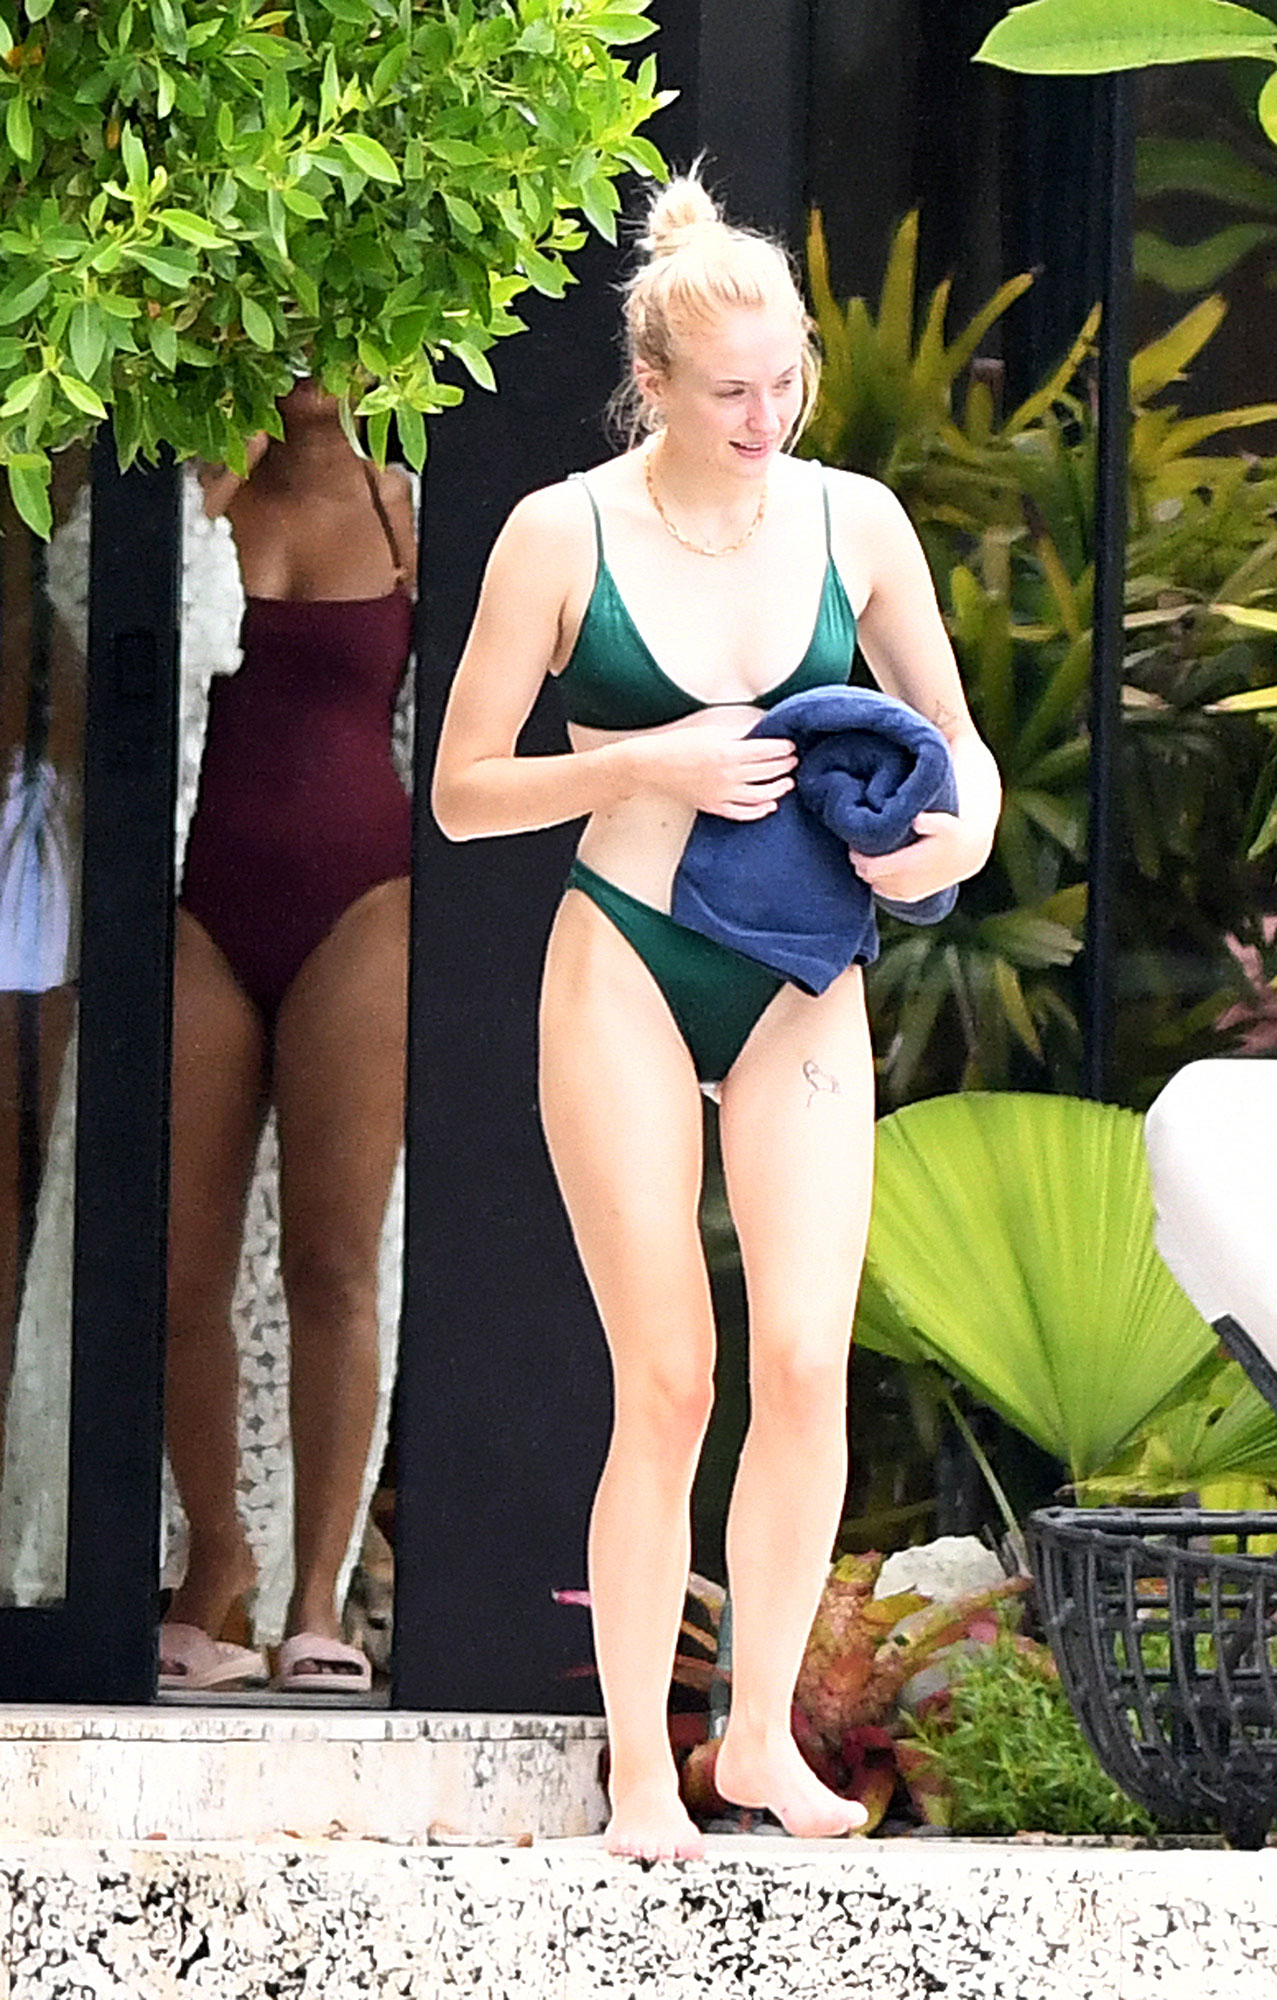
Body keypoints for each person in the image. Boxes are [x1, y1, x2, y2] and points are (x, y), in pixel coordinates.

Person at [431, 175, 1001, 1859]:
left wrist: (952, 845)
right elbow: (461, 790)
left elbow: (957, 745)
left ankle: (757, 1739)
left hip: (803, 969)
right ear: (656, 384)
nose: (769, 418)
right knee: (671, 1375)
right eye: (733, 391)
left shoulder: (856, 522)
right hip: (625, 949)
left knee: (809, 1365)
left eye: (787, 382)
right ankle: (635, 1769)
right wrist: (647, 766)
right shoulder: (563, 534)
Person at [158, 376, 416, 1693]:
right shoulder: (189, 499)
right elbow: (102, 643)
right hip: (197, 902)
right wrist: (215, 473)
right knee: (175, 1265)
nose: (310, 351)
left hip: (363, 904)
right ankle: (218, 1558)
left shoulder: (407, 509)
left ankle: (320, 1599)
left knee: (334, 1262)